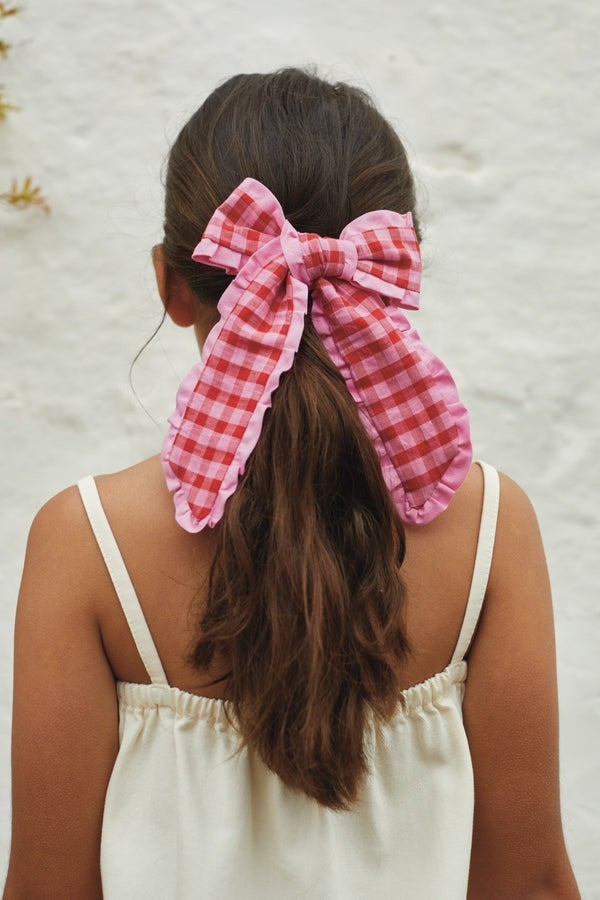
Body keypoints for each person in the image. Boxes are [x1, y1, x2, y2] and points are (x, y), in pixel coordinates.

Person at [3, 66, 580, 899]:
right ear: (395, 273)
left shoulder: (85, 543)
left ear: (171, 283)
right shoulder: (491, 527)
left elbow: (46, 889)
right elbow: (527, 886)